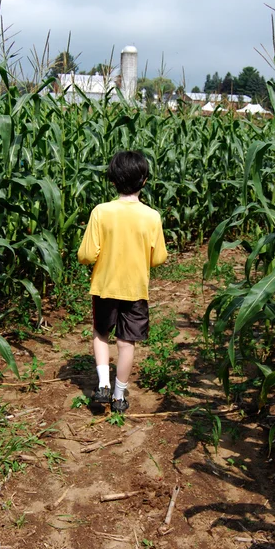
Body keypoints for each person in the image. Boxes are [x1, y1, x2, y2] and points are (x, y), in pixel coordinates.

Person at [77, 150, 167, 412]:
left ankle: (103, 384)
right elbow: (159, 257)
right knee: (126, 342)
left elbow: (86, 254)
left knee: (101, 333)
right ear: (145, 181)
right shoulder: (152, 217)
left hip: (105, 286)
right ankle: (119, 395)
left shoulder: (101, 212)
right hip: (136, 288)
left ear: (113, 181)